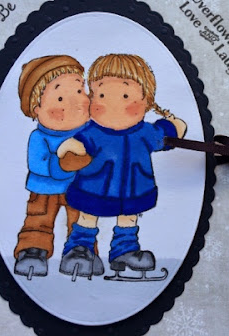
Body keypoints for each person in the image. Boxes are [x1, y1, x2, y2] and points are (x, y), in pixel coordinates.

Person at [57, 54, 187, 281]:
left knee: (129, 218)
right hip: (95, 187)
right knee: (88, 216)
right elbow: (77, 145)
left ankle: (125, 250)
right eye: (101, 95)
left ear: (146, 100)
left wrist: (174, 125)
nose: (112, 104)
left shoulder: (145, 132)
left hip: (135, 188)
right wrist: (71, 151)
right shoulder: (93, 133)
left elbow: (166, 135)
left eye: (126, 95)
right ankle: (79, 249)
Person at [14, 55, 104, 280]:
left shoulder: (88, 133)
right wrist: (62, 164)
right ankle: (33, 249)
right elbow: (39, 164)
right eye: (61, 97)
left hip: (79, 189)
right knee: (38, 219)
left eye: (79, 91)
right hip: (44, 190)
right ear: (36, 108)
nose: (74, 102)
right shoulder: (39, 137)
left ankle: (81, 250)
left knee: (81, 220)